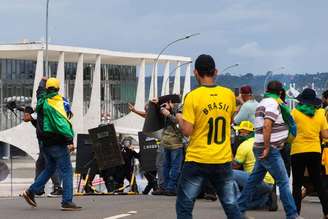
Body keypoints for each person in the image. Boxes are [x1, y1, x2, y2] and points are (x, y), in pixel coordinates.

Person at [175, 54, 241, 219]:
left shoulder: (193, 96)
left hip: (197, 158)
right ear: (216, 71)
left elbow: (187, 131)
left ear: (196, 72)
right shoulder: (228, 95)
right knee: (231, 205)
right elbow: (230, 120)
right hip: (222, 159)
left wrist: (178, 116)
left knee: (185, 205)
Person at [237, 80, 299, 219]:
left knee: (253, 180)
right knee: (283, 181)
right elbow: (266, 125)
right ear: (281, 92)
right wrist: (267, 147)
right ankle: (292, 214)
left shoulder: (262, 103)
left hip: (260, 146)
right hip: (268, 148)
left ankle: (239, 209)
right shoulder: (272, 103)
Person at [22, 77, 81, 211]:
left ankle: (31, 192)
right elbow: (62, 124)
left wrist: (43, 81)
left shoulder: (42, 100)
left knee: (49, 168)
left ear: (47, 88)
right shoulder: (56, 102)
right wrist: (70, 141)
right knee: (66, 171)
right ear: (58, 89)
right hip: (56, 142)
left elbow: (39, 91)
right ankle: (67, 201)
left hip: (44, 144)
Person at [290, 88, 328, 218]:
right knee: (318, 182)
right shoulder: (321, 113)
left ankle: (295, 213)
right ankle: (326, 212)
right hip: (314, 151)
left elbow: (290, 132)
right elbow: (325, 135)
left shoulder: (294, 112)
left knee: (297, 184)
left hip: (297, 151)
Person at [233, 121, 277, 211]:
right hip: (270, 183)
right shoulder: (267, 143)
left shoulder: (244, 145)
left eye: (240, 132)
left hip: (255, 180)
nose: (239, 135)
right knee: (253, 204)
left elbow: (235, 166)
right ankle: (267, 198)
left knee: (228, 173)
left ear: (245, 133)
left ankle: (235, 200)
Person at [23, 106, 63, 196]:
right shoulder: (36, 115)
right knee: (40, 164)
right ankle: (39, 189)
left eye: (25, 115)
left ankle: (57, 187)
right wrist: (18, 108)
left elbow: (29, 115)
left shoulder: (38, 115)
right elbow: (29, 113)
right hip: (45, 142)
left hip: (46, 142)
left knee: (50, 164)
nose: (23, 117)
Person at [128, 103, 161, 194]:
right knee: (149, 171)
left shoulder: (159, 117)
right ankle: (151, 190)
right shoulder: (151, 118)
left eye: (148, 111)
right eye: (146, 111)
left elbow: (147, 115)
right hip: (148, 147)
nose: (147, 113)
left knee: (153, 170)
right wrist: (134, 111)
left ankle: (151, 189)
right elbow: (146, 115)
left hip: (158, 146)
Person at [157, 100, 184, 196]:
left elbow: (178, 121)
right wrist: (166, 112)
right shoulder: (170, 112)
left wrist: (167, 113)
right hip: (173, 143)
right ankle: (170, 187)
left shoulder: (174, 110)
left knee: (168, 166)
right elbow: (178, 122)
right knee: (173, 166)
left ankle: (168, 187)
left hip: (170, 142)